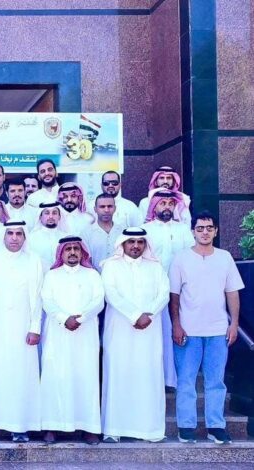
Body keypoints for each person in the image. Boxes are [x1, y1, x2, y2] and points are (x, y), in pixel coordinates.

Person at [169, 212, 244, 445]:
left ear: (216, 231)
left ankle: (216, 426)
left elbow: (232, 292)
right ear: (193, 231)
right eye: (200, 228)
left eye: (209, 228)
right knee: (186, 381)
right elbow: (174, 296)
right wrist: (176, 325)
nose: (204, 232)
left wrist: (234, 323)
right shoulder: (181, 258)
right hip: (188, 331)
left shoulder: (225, 257)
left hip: (218, 330)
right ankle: (186, 427)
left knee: (216, 381)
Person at [0, 221, 43, 442]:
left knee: (20, 376)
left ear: (25, 237)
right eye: (10, 233)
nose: (14, 237)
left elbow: (37, 297)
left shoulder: (34, 260)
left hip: (23, 329)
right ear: (3, 236)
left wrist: (35, 327)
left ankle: (20, 427)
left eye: (18, 234)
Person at [100, 228, 170, 443]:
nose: (136, 246)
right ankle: (113, 429)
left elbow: (164, 294)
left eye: (140, 242)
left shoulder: (155, 267)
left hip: (149, 331)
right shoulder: (110, 266)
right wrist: (135, 315)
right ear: (123, 244)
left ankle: (150, 430)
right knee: (118, 374)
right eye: (131, 242)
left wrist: (149, 314)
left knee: (148, 376)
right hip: (119, 331)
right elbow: (111, 294)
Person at [40, 236, 105, 445]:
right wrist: (64, 318)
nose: (72, 252)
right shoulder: (52, 275)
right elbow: (47, 301)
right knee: (56, 377)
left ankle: (89, 428)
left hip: (85, 334)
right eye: (68, 249)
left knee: (86, 377)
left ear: (82, 252)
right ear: (61, 253)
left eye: (76, 248)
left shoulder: (92, 275)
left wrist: (81, 319)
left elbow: (99, 301)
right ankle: (52, 427)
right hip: (58, 333)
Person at [142, 190, 195, 388]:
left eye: (170, 204)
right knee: (161, 334)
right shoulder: (144, 230)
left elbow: (190, 256)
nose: (167, 207)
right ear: (154, 206)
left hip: (182, 289)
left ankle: (181, 379)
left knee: (183, 331)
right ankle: (162, 379)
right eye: (162, 203)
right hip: (155, 291)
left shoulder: (183, 229)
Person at [81, 194, 125, 272]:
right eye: (102, 207)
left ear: (115, 208)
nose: (106, 210)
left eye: (110, 206)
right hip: (96, 277)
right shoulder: (86, 234)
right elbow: (86, 260)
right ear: (95, 209)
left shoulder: (123, 232)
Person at [28, 201, 68, 272]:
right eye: (47, 213)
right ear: (40, 217)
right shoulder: (31, 238)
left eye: (54, 213)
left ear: (59, 217)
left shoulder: (66, 238)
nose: (51, 216)